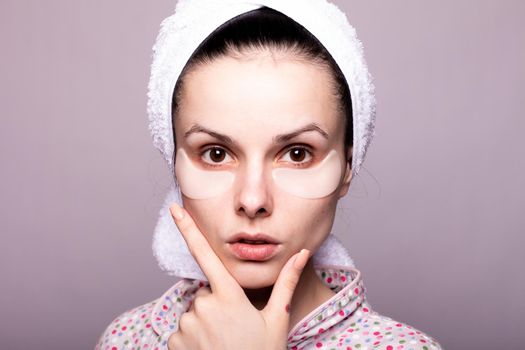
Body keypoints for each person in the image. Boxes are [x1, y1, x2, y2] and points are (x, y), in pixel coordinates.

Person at [95, 1, 443, 349]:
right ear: (174, 161)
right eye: (216, 154)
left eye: (297, 154)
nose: (253, 200)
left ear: (348, 168)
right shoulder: (127, 338)